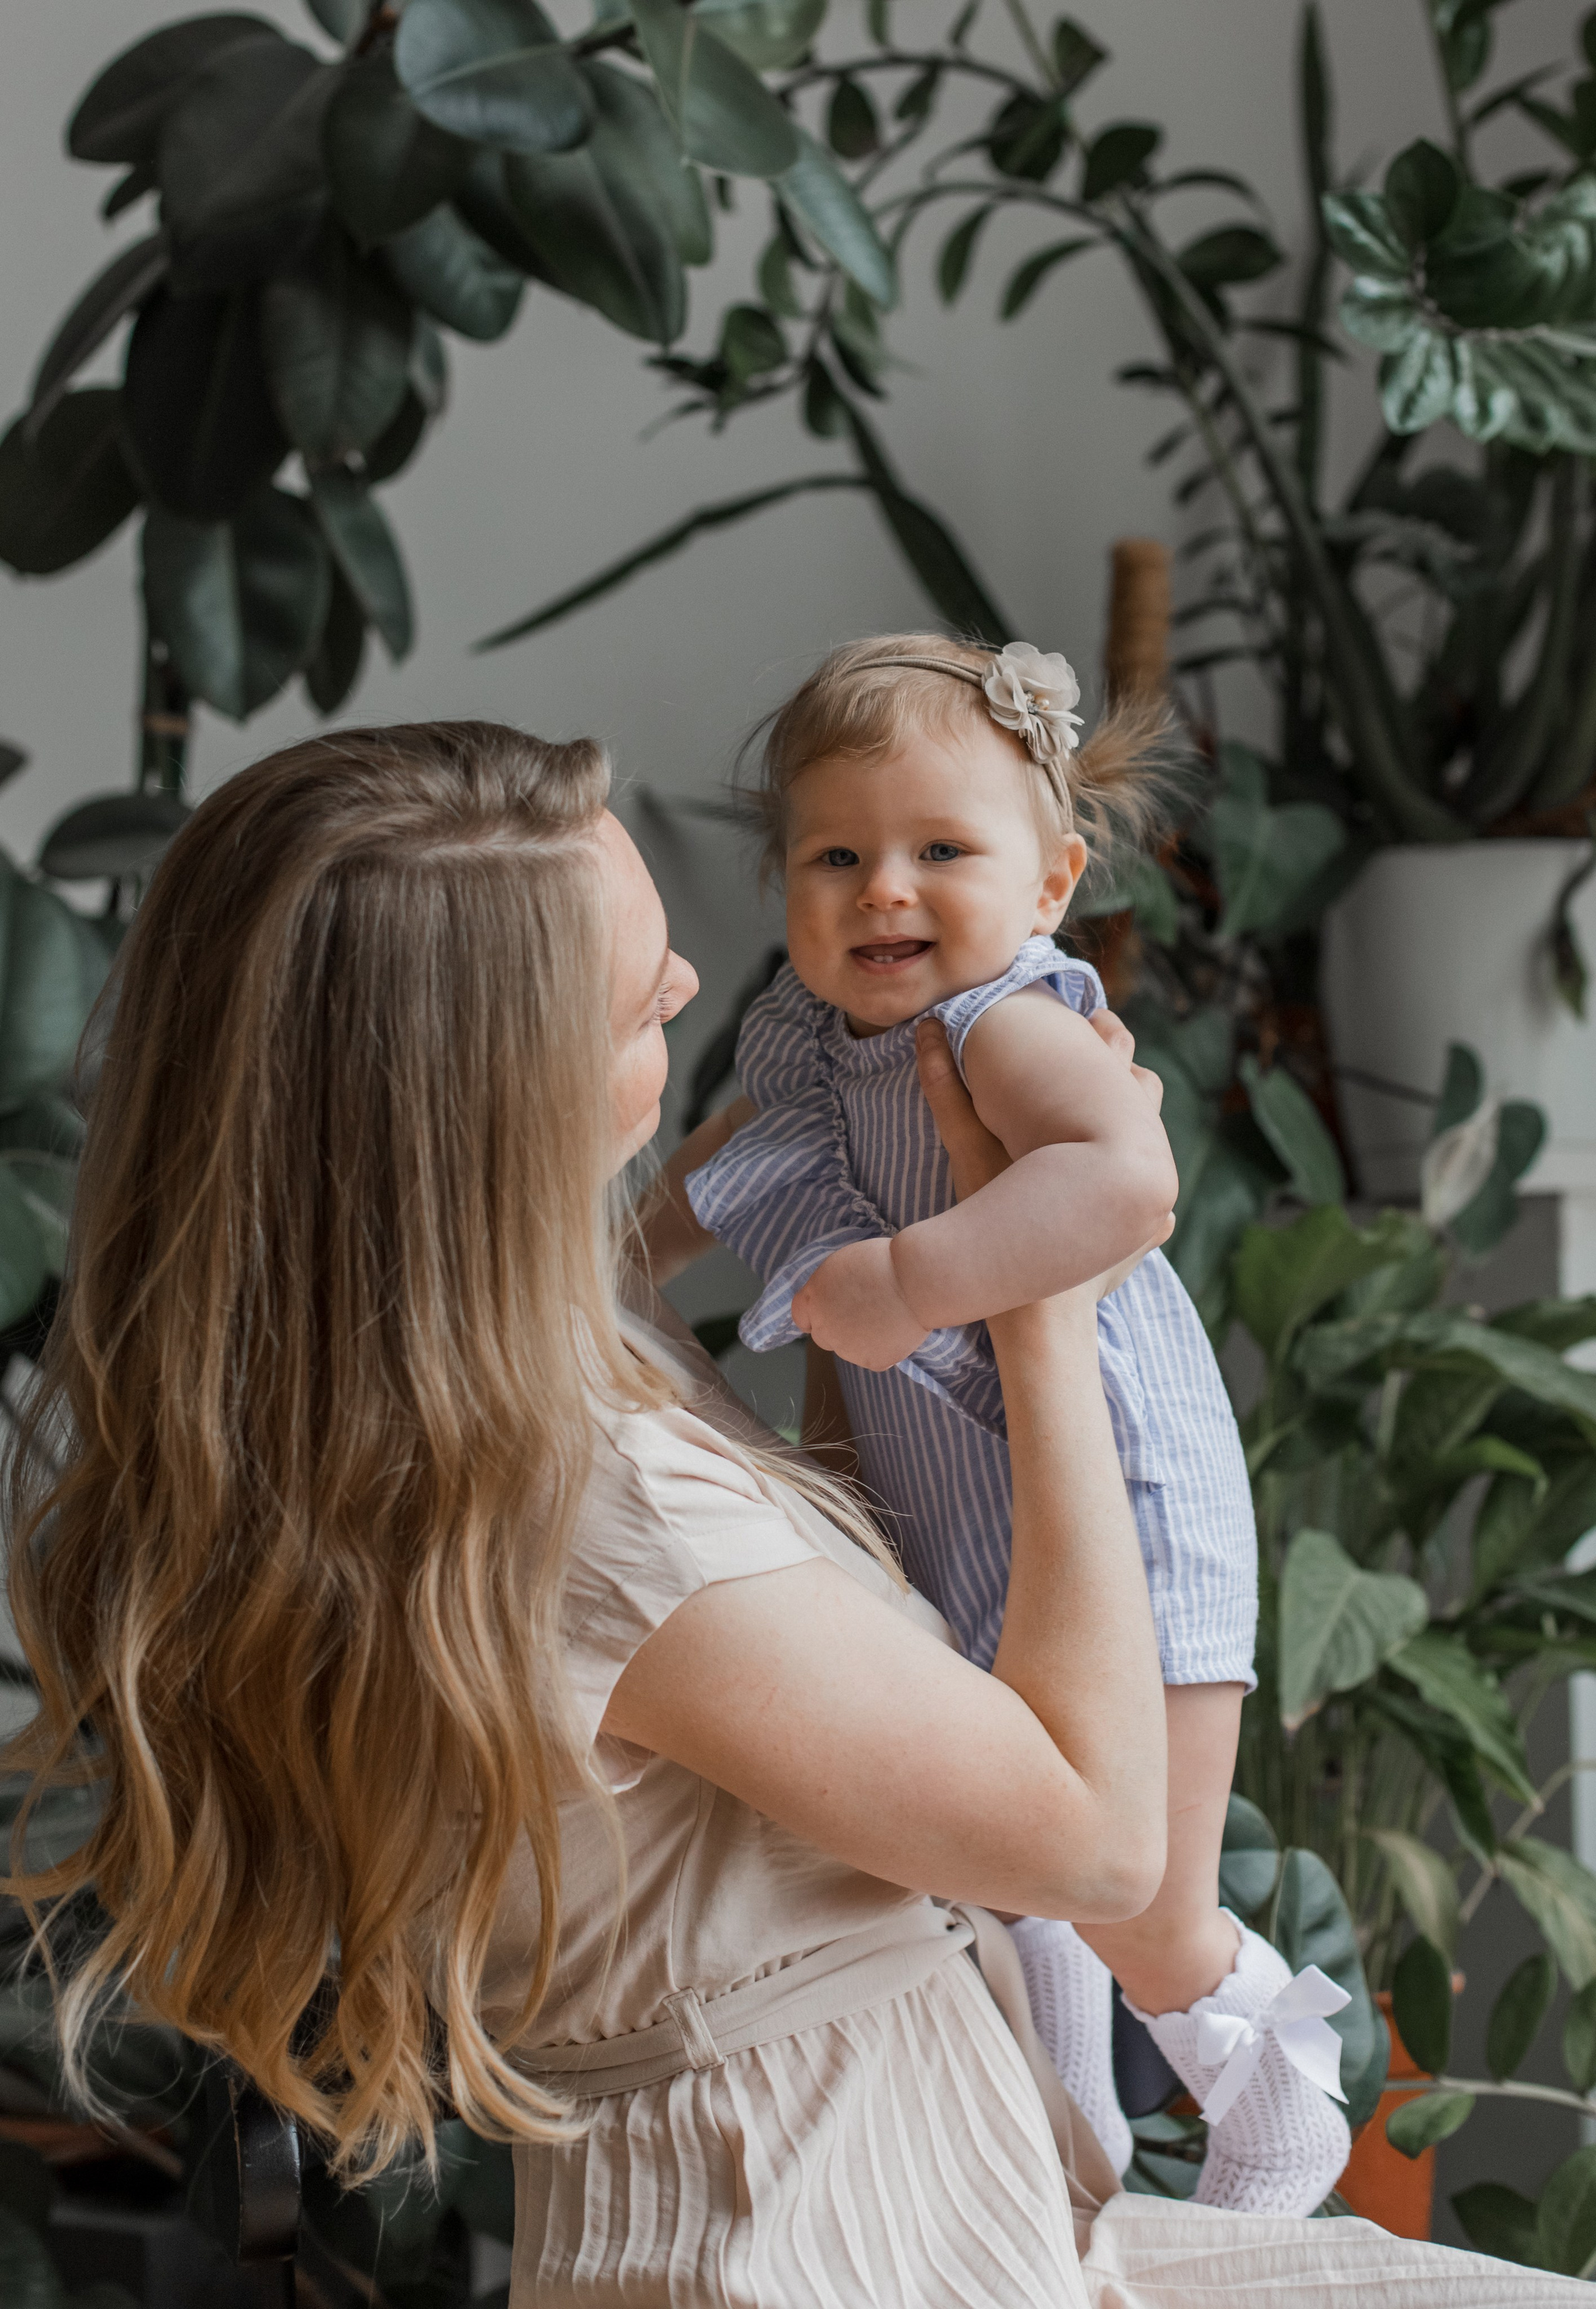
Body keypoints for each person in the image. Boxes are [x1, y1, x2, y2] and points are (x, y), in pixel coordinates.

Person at [3, 723, 1579, 2307]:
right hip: (809, 2242)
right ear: (496, 1101)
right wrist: (1038, 1298)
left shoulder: (481, 1369)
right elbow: (1100, 1844)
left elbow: (840, 1561)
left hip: (944, 2199)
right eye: (638, 1001)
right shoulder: (596, 1505)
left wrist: (903, 1239)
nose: (692, 987)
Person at [669, 634, 1333, 2212]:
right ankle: (1074, 2158)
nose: (881, 889)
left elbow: (1128, 1182)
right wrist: (604, 1270)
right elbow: (712, 1174)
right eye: (835, 854)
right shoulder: (817, 1043)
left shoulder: (1004, 1025)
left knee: (1140, 1904)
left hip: (1124, 1497)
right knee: (1003, 1873)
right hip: (965, 1507)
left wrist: (913, 1278)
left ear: (1050, 885)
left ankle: (1279, 2092)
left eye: (938, 851)